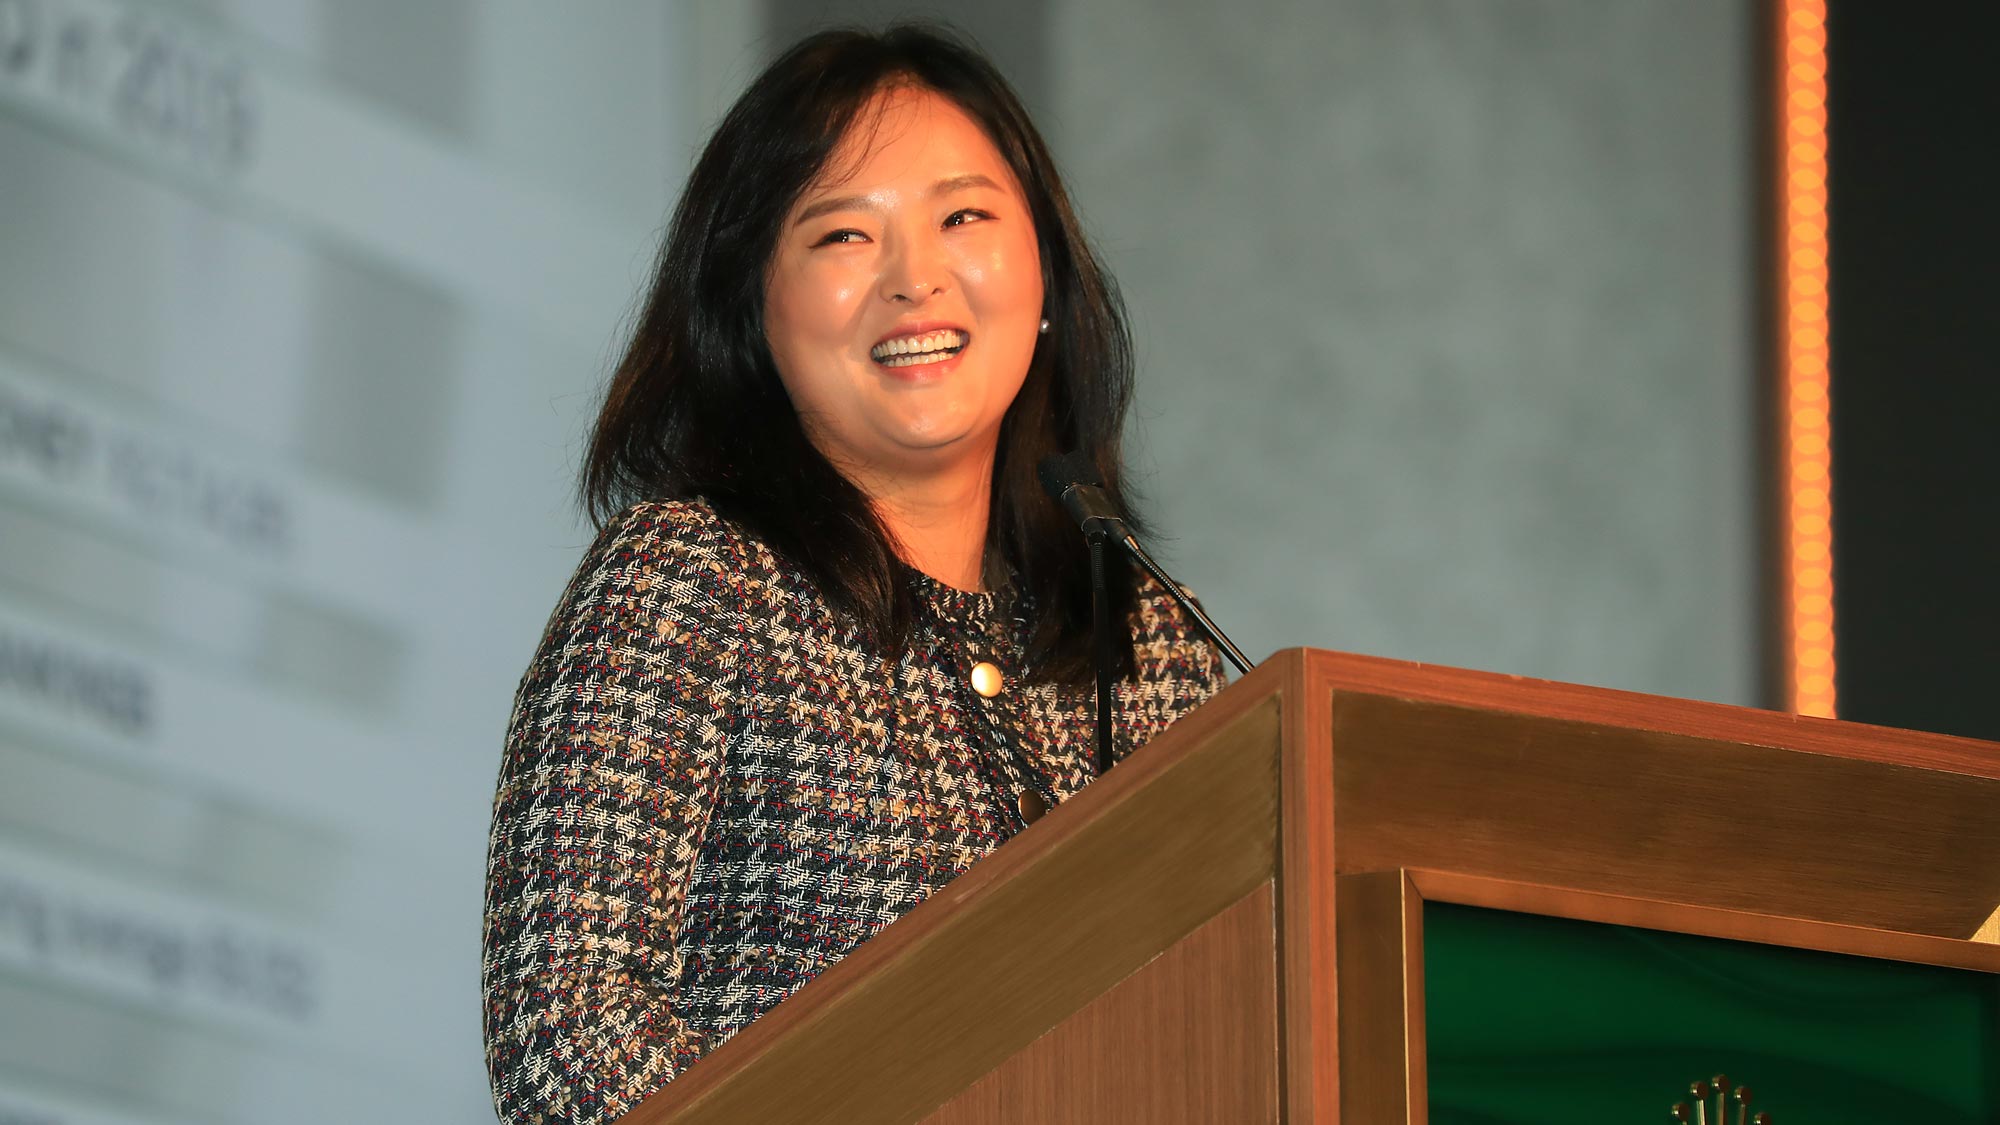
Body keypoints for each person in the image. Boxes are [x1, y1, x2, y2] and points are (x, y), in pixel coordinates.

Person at [481, 25, 1225, 1125]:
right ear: (750, 314)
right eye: (840, 236)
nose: (913, 280)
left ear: (1047, 281)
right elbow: (570, 1019)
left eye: (962, 217)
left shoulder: (1144, 640)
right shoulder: (690, 585)